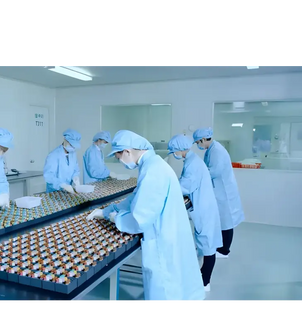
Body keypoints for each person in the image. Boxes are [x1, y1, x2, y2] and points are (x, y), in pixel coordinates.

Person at [87, 130, 205, 303]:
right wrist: (106, 211)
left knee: (165, 290)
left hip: (163, 241)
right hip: (171, 234)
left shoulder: (153, 171)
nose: (119, 161)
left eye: (119, 156)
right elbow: (136, 198)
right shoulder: (152, 164)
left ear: (127, 151)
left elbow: (139, 220)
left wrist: (115, 218)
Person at [168, 134, 223, 292]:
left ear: (180, 150)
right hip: (204, 206)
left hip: (203, 209)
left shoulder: (192, 164)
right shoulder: (193, 160)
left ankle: (205, 282)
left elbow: (184, 186)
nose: (174, 155)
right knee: (207, 243)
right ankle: (203, 277)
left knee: (207, 246)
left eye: (174, 152)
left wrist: (168, 187)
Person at [193, 127, 245, 258]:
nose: (198, 145)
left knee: (226, 221)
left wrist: (197, 178)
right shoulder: (212, 149)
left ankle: (224, 251)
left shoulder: (216, 151)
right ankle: (221, 247)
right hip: (220, 189)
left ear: (204, 139)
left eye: (198, 142)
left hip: (224, 192)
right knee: (223, 221)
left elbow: (214, 171)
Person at [44, 129, 82, 194]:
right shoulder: (53, 155)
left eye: (74, 146)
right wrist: (62, 185)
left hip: (67, 192)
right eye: (71, 144)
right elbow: (49, 176)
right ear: (64, 139)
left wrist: (75, 177)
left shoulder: (72, 154)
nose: (73, 147)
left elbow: (75, 169)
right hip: (54, 193)